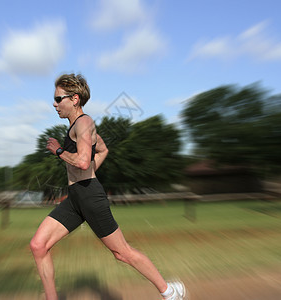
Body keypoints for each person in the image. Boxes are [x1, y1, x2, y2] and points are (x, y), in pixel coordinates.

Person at [30, 73, 186, 300]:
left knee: (122, 253)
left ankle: (170, 292)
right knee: (38, 245)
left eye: (58, 99)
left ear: (74, 99)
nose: (54, 104)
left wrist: (58, 151)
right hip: (75, 198)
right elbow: (102, 149)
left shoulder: (84, 122)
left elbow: (83, 161)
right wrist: (88, 172)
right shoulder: (78, 126)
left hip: (90, 196)